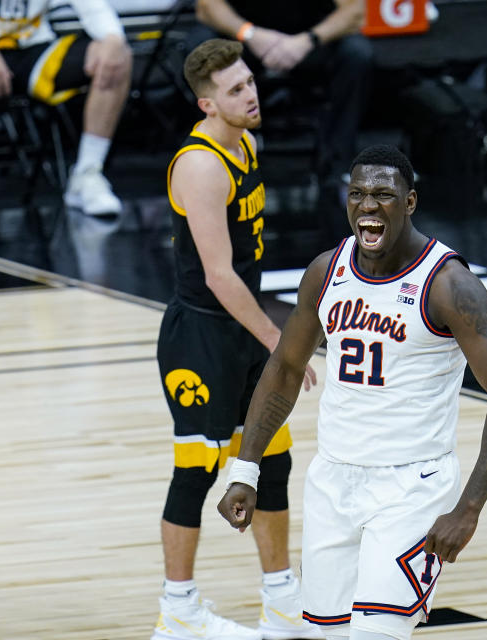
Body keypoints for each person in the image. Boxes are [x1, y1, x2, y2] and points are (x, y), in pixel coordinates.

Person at [218, 144, 487, 640]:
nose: (368, 205)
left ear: (409, 202)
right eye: (358, 193)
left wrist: (468, 508)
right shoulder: (327, 270)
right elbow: (284, 368)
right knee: (327, 635)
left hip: (412, 488)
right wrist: (245, 469)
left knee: (376, 635)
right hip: (333, 480)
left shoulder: (449, 285)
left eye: (383, 194)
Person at [153, 38, 322, 640]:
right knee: (197, 471)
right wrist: (281, 339)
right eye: (234, 91)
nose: (250, 95)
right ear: (206, 105)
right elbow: (219, 275)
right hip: (200, 337)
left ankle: (281, 604)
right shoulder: (199, 165)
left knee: (270, 462)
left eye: (249, 82)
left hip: (243, 337)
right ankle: (177, 612)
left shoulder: (246, 144)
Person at [0, 0, 132, 217]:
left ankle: (88, 174)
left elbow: (95, 9)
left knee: (117, 54)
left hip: (35, 51)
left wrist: (113, 38)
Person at [192, 0, 371, 188]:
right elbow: (207, 7)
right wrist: (250, 34)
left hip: (309, 38)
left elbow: (355, 11)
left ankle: (338, 167)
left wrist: (308, 40)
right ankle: (221, 161)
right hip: (244, 36)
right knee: (202, 50)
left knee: (356, 53)